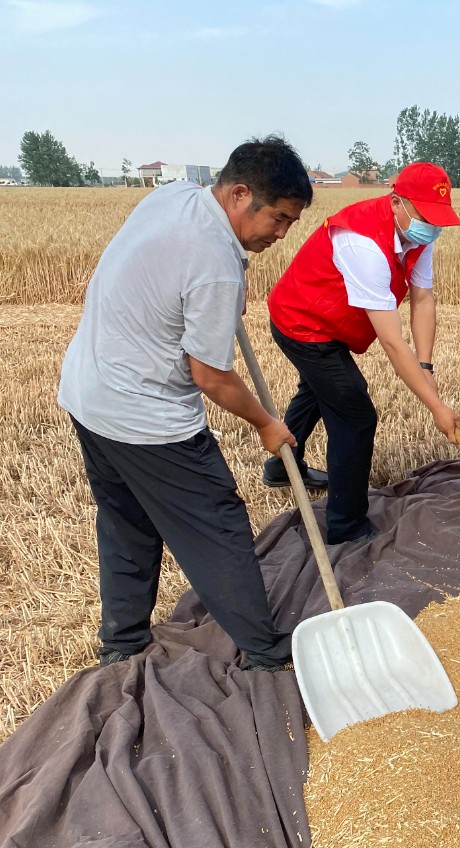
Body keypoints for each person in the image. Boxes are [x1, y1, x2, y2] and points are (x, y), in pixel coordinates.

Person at [57, 136, 312, 670]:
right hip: (146, 416)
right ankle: (264, 649)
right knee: (216, 523)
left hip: (89, 392)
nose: (282, 235)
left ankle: (122, 642)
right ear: (241, 195)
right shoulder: (217, 263)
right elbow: (212, 377)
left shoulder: (174, 196)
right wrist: (267, 422)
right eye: (280, 219)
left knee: (126, 520)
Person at [265, 161, 460, 545]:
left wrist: (426, 365)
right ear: (396, 203)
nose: (432, 227)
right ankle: (346, 525)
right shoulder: (362, 241)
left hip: (334, 321)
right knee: (354, 413)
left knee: (319, 391)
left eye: (439, 219)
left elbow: (422, 299)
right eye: (426, 216)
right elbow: (391, 341)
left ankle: (280, 467)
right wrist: (436, 406)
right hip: (302, 322)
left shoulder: (420, 233)